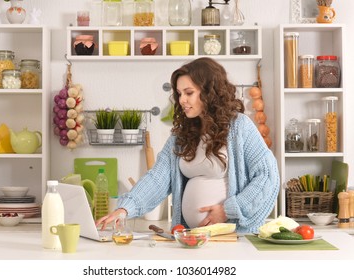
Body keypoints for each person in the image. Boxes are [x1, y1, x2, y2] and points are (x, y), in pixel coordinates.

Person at [96, 57, 280, 233]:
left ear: (209, 92)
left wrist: (228, 210)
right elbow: (157, 179)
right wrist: (124, 209)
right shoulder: (181, 135)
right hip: (190, 236)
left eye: (189, 92)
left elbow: (267, 177)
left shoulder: (240, 126)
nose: (182, 99)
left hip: (232, 236)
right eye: (179, 93)